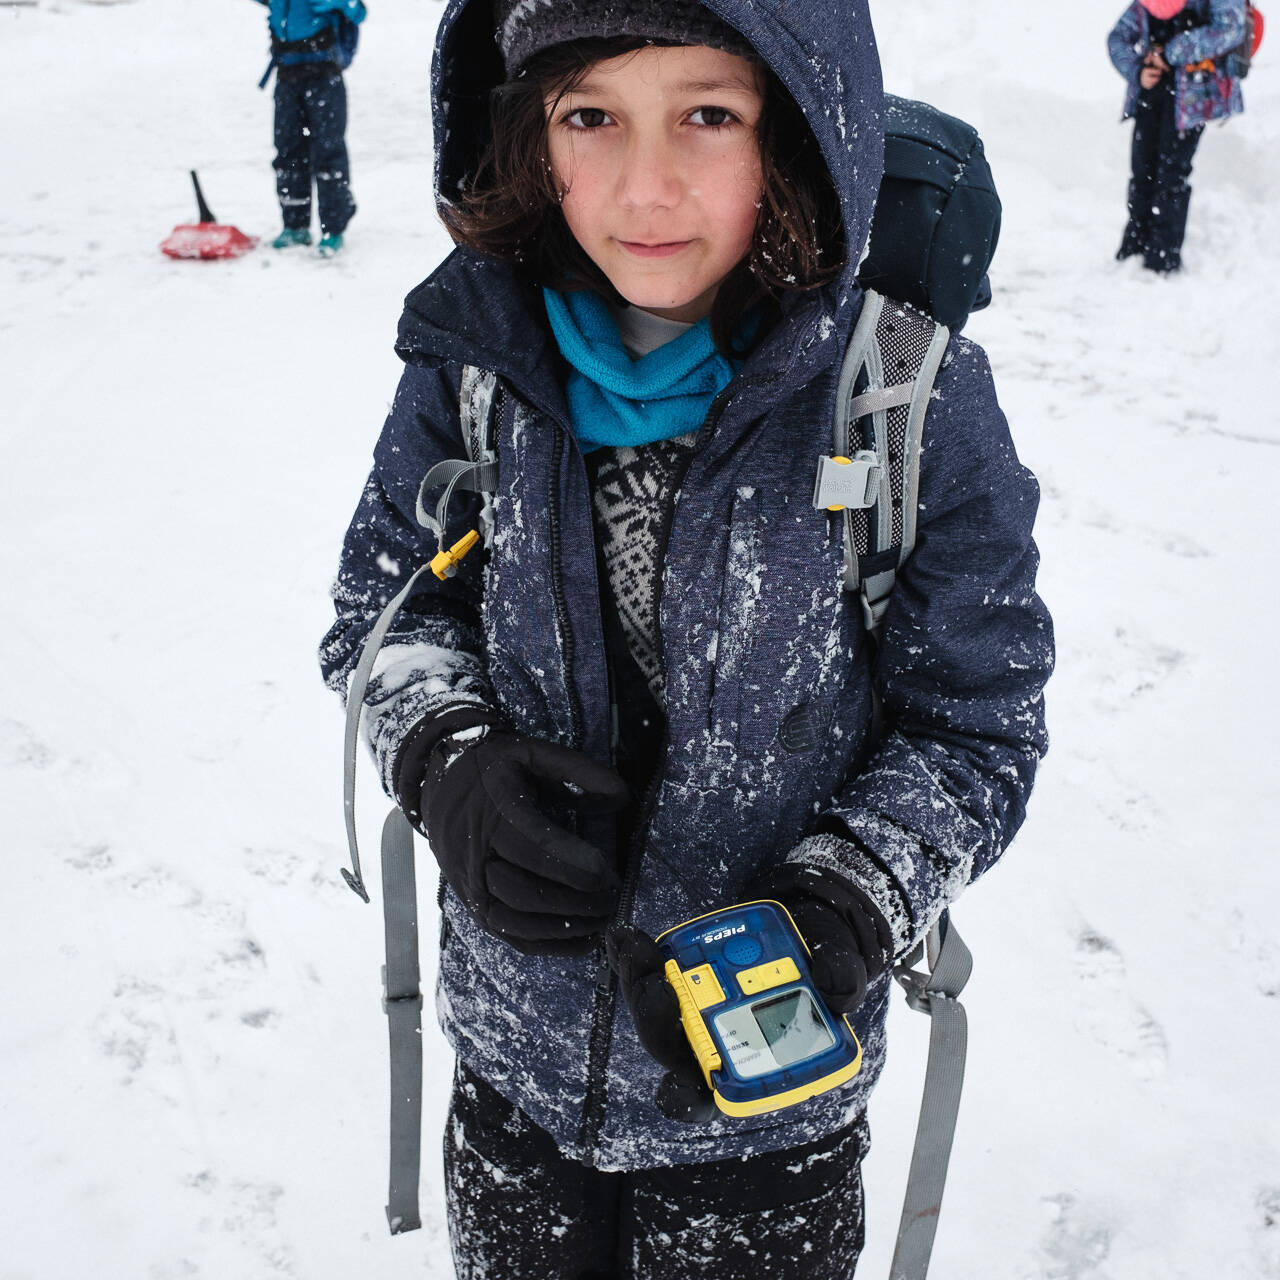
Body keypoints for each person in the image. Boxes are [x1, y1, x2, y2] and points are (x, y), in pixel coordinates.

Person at [319, 0, 1053, 1274]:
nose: (643, 184)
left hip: (767, 1117)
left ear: (799, 130)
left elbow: (976, 721)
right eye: (589, 116)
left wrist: (847, 899)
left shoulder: (901, 396)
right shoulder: (474, 356)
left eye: (707, 114)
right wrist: (446, 758)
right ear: (525, 139)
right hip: (516, 1077)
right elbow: (381, 616)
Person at [1108, 0, 1247, 274]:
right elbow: (1118, 38)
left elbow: (1231, 28)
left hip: (1193, 99)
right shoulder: (1148, 3)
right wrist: (1137, 71)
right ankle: (1134, 248)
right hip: (1151, 95)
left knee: (1171, 175)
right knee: (1142, 172)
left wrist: (1171, 53)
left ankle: (1162, 259)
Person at [255, 0, 366, 256]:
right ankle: (295, 226)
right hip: (286, 72)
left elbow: (358, 11)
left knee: (328, 152)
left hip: (324, 73)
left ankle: (333, 229)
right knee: (288, 151)